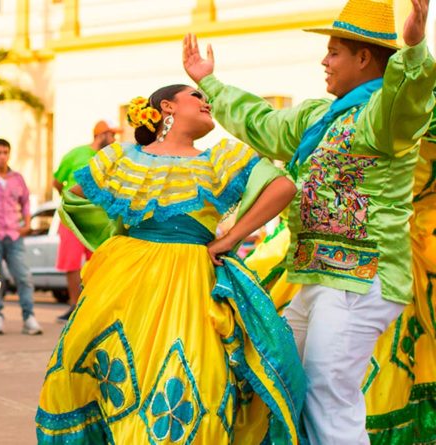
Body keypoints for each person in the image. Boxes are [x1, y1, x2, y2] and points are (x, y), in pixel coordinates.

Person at [182, 0, 434, 442]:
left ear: (363, 58)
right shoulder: (317, 116)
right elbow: (260, 123)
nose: (324, 60)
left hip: (361, 280)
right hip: (316, 278)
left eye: (334, 51)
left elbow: (408, 101)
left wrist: (413, 50)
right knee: (281, 384)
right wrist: (210, 83)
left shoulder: (382, 118)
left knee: (328, 395)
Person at [37, 85, 304, 443]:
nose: (207, 102)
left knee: (199, 381)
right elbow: (76, 198)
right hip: (127, 281)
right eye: (197, 96)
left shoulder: (219, 159)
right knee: (90, 371)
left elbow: (282, 187)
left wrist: (230, 237)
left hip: (192, 280)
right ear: (167, 107)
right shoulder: (123, 157)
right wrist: (117, 233)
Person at [52, 120, 120, 322]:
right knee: (71, 263)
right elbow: (57, 182)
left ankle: (95, 304)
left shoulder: (112, 158)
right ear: (101, 135)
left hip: (102, 218)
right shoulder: (76, 154)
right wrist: (70, 203)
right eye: (112, 135)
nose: (114, 139)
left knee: (101, 261)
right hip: (73, 218)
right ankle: (74, 306)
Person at [0, 138, 42, 335]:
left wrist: (27, 224)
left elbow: (26, 202)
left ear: (9, 154)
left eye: (5, 152)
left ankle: (29, 317)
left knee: (23, 276)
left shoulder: (17, 178)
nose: (2, 156)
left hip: (14, 233)